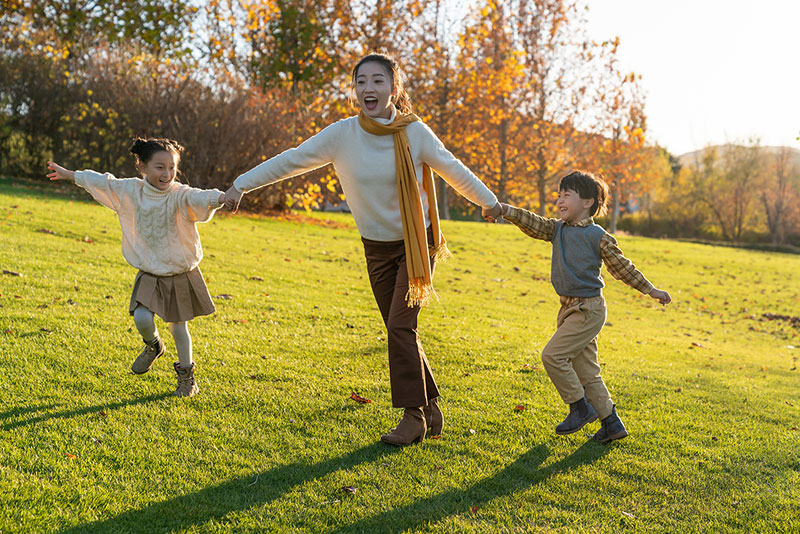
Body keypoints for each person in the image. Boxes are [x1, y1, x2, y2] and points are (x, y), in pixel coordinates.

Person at [224, 53, 504, 445]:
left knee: (400, 326)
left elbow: (452, 167)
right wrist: (242, 184)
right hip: (376, 248)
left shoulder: (414, 132)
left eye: (377, 81)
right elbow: (291, 161)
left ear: (394, 87)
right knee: (398, 329)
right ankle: (429, 404)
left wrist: (489, 201)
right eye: (361, 82)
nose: (368, 89)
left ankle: (413, 419)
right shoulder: (341, 135)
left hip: (416, 243)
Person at [499, 170, 671, 443]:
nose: (560, 200)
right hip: (568, 308)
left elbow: (623, 269)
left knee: (553, 356)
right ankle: (612, 424)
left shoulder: (597, 236)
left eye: (567, 195)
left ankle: (580, 407)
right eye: (558, 195)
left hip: (588, 310)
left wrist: (651, 290)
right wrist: (505, 210)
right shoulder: (556, 229)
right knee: (587, 371)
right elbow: (532, 222)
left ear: (588, 201)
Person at [46, 137, 225, 398]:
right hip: (150, 271)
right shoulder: (132, 190)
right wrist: (70, 175)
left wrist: (220, 198)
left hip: (179, 271)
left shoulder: (179, 194)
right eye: (159, 167)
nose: (167, 174)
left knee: (178, 327)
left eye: (172, 167)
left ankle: (187, 378)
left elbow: (199, 196)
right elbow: (103, 182)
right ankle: (153, 345)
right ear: (142, 167)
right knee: (141, 318)